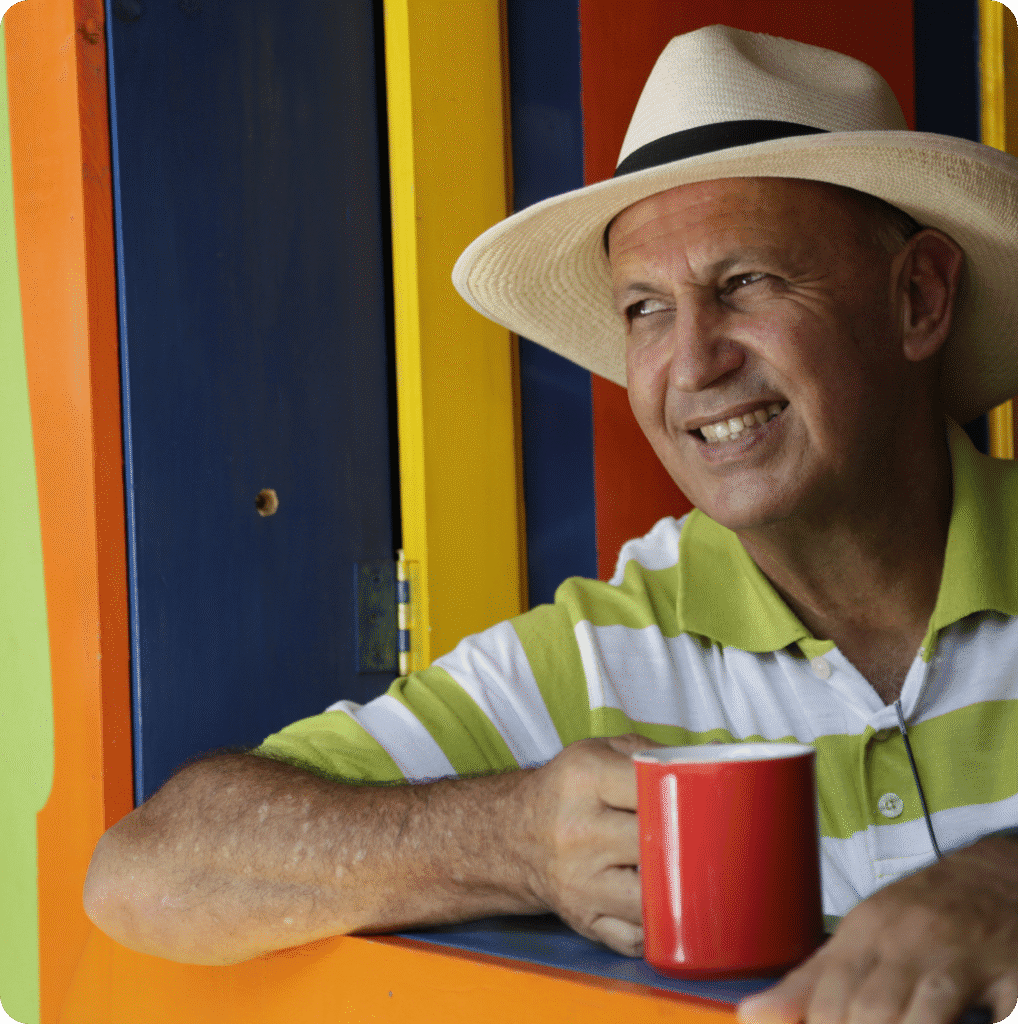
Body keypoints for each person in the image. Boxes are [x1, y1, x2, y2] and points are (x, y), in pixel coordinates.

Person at [83, 25, 1018, 1024]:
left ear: (918, 298)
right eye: (645, 308)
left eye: (746, 282)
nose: (693, 364)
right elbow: (149, 873)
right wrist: (514, 839)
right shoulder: (598, 656)